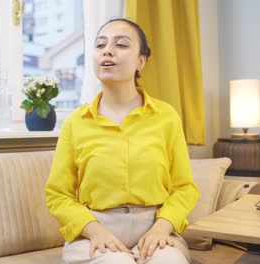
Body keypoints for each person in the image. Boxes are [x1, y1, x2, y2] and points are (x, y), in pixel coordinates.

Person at [45, 18, 200, 264]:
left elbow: (184, 187)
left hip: (154, 231)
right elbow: (58, 194)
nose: (107, 50)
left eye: (121, 44)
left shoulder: (166, 116)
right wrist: (95, 231)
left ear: (141, 61)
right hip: (94, 233)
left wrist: (162, 227)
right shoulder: (76, 122)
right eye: (100, 45)